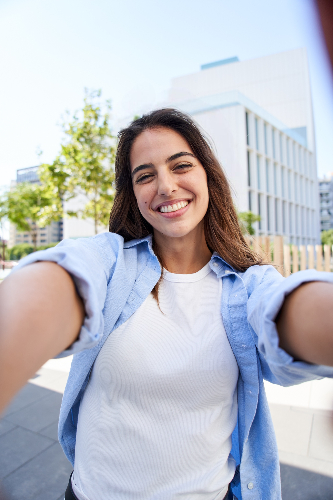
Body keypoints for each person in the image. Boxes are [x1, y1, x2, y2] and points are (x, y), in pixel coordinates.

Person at [0, 109, 333, 500]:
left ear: (208, 173)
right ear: (133, 194)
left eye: (181, 166)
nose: (166, 185)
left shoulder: (248, 286)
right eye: (145, 175)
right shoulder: (110, 262)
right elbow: (61, 280)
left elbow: (286, 310)